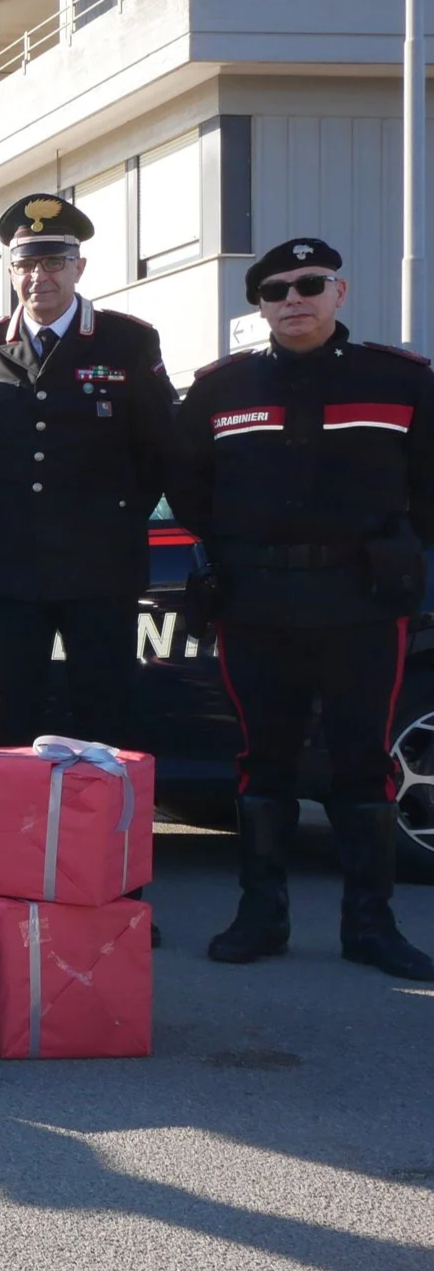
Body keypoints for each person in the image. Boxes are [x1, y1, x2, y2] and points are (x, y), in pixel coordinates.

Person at [169, 238, 434, 981]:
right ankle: (261, 917)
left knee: (362, 763)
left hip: (362, 604)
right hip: (257, 603)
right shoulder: (222, 388)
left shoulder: (402, 381)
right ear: (258, 305)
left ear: (339, 294)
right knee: (264, 761)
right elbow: (187, 481)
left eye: (309, 284)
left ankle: (371, 927)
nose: (293, 299)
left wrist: (400, 550)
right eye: (275, 290)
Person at [0, 197, 175, 750]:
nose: (39, 277)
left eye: (54, 262)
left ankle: (103, 839)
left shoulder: (127, 341)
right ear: (11, 272)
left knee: (105, 717)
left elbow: (157, 449)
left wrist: (109, 516)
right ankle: (12, 837)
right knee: (7, 724)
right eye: (26, 265)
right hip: (8, 571)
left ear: (80, 267)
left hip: (99, 566)